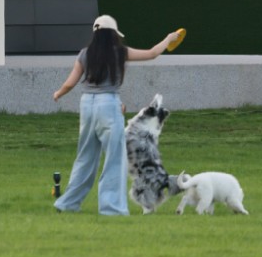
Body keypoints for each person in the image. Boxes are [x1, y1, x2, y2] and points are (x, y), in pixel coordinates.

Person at [51, 13, 180, 217]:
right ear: (113, 34)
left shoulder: (85, 53)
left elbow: (70, 83)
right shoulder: (120, 52)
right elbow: (152, 53)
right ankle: (111, 207)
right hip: (109, 104)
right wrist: (169, 38)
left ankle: (67, 203)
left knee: (85, 157)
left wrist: (58, 93)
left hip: (87, 105)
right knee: (114, 159)